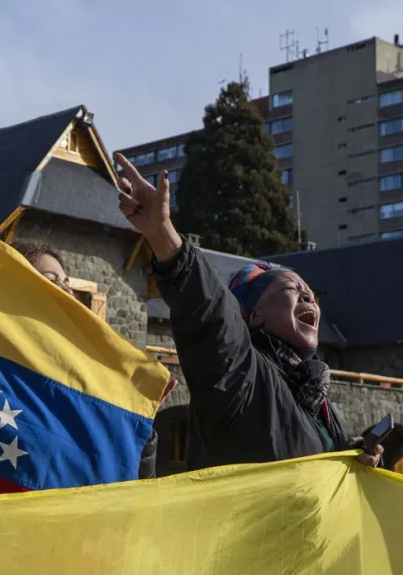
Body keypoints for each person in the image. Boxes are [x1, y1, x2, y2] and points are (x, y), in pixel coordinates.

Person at [113, 153, 382, 471]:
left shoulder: (312, 396)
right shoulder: (240, 376)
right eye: (290, 289)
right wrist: (162, 234)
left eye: (310, 293)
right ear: (251, 315)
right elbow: (211, 313)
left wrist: (353, 456)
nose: (309, 296)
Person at [10, 239, 176, 479]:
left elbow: (127, 482)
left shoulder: (88, 373)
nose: (67, 290)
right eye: (50, 280)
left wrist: (139, 425)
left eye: (66, 282)